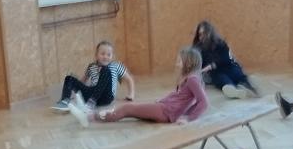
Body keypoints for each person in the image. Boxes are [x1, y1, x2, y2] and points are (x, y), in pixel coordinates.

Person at [68, 47, 208, 127]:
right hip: (165, 109)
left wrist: (189, 118)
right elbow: (191, 100)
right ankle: (90, 114)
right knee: (129, 110)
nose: (177, 59)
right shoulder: (191, 78)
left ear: (189, 62)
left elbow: (204, 102)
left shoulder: (192, 80)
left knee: (127, 108)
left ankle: (89, 117)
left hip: (165, 112)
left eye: (180, 58)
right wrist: (184, 114)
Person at [53, 40, 136, 112]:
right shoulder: (91, 66)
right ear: (96, 55)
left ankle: (92, 101)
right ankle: (65, 101)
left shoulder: (116, 66)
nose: (105, 57)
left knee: (105, 69)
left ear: (112, 56)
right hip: (91, 94)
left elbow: (129, 79)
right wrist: (73, 87)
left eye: (108, 54)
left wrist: (131, 95)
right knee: (69, 78)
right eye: (102, 54)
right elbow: (83, 81)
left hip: (106, 97)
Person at [192, 20, 259, 98]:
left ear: (210, 33)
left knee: (239, 75)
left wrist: (211, 65)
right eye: (200, 34)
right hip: (216, 72)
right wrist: (199, 71)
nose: (202, 37)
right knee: (222, 80)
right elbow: (197, 63)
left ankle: (248, 88)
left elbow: (226, 58)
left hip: (228, 66)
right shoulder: (198, 48)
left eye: (204, 33)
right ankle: (234, 91)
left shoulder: (221, 43)